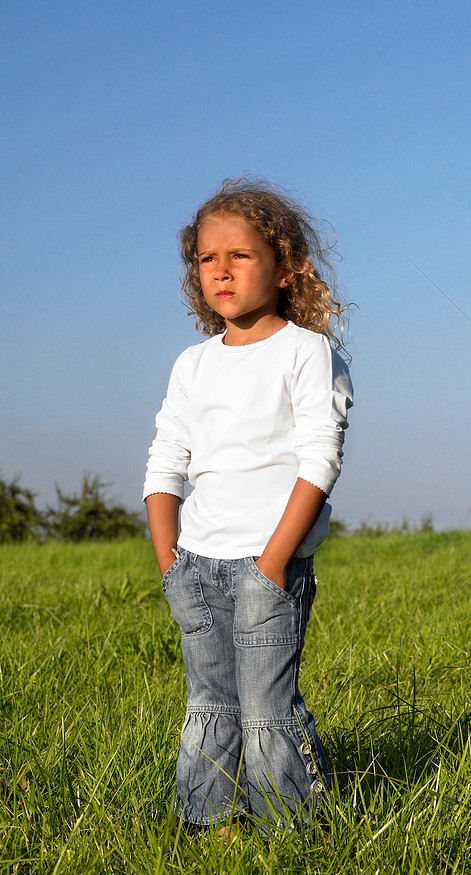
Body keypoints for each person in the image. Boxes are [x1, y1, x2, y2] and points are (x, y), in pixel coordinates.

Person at [143, 178, 353, 831]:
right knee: (209, 700)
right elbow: (164, 461)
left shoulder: (307, 353)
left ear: (285, 265)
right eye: (208, 258)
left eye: (241, 255)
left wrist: (272, 564)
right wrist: (168, 561)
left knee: (266, 707)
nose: (222, 270)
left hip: (270, 563)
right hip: (196, 564)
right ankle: (205, 826)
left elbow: (320, 461)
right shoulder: (193, 364)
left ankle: (287, 835)